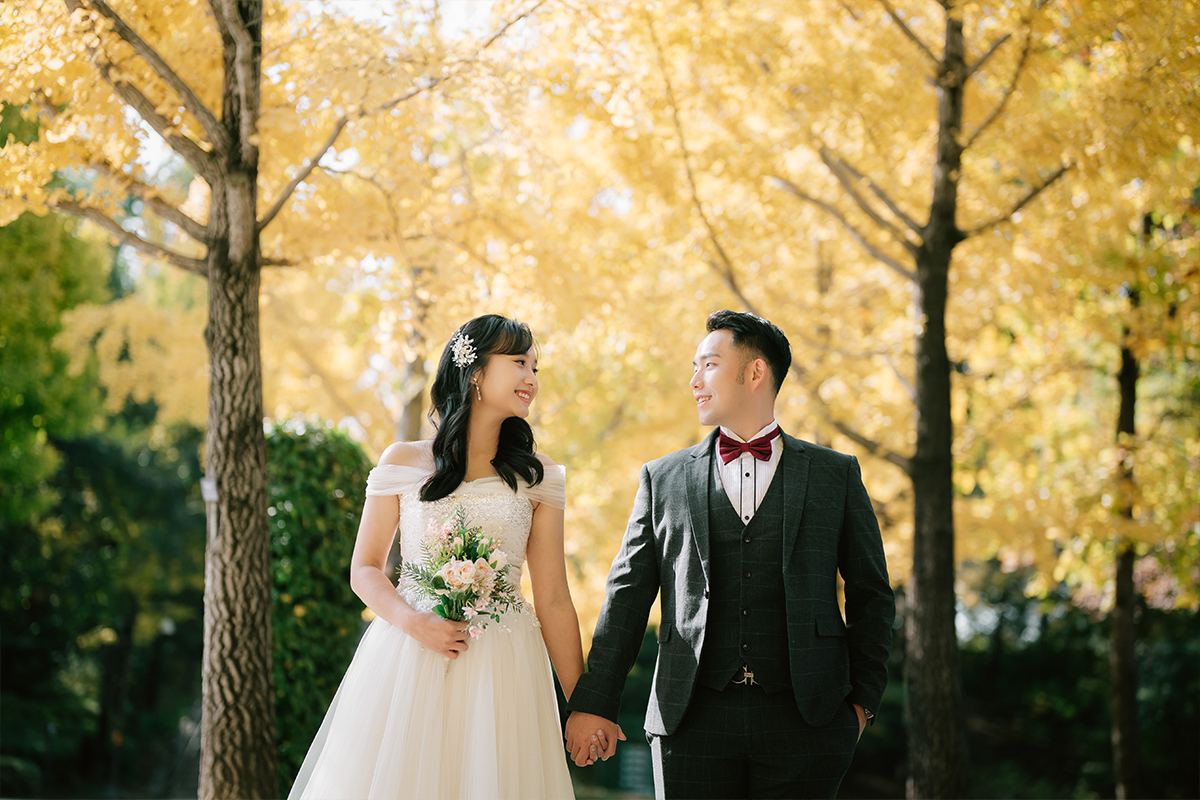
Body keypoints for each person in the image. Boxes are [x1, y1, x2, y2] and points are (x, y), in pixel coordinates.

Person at [565, 310, 895, 799]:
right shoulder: (663, 478)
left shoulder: (835, 474)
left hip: (808, 723)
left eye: (709, 365)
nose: (694, 380)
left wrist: (862, 705)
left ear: (756, 372)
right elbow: (628, 596)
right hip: (690, 721)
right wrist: (594, 702)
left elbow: (872, 594)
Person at [288, 314, 580, 800]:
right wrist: (412, 621)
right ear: (475, 373)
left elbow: (553, 599)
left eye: (535, 366)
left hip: (503, 669)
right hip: (408, 658)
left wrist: (582, 706)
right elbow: (365, 569)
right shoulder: (402, 461)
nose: (532, 378)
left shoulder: (540, 476)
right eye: (519, 362)